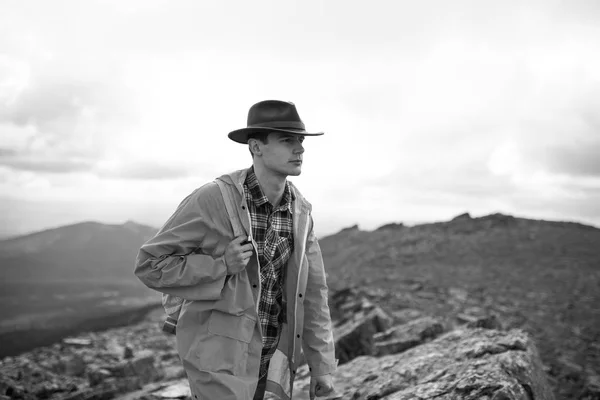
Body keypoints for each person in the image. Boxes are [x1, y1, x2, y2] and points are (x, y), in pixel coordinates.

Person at [134, 100, 338, 400]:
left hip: (273, 362)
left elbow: (314, 295)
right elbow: (150, 265)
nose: (300, 149)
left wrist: (322, 367)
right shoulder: (213, 198)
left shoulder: (301, 211)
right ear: (256, 147)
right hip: (218, 362)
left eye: (301, 140)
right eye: (287, 140)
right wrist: (221, 265)